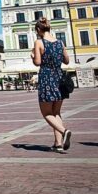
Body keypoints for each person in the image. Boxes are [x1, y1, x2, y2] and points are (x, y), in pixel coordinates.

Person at [32, 17, 72, 153]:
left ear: (38, 30)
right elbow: (67, 61)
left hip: (47, 78)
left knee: (46, 113)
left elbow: (37, 62)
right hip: (59, 78)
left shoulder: (39, 42)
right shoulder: (60, 42)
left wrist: (33, 56)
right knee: (56, 112)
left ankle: (64, 131)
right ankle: (58, 144)